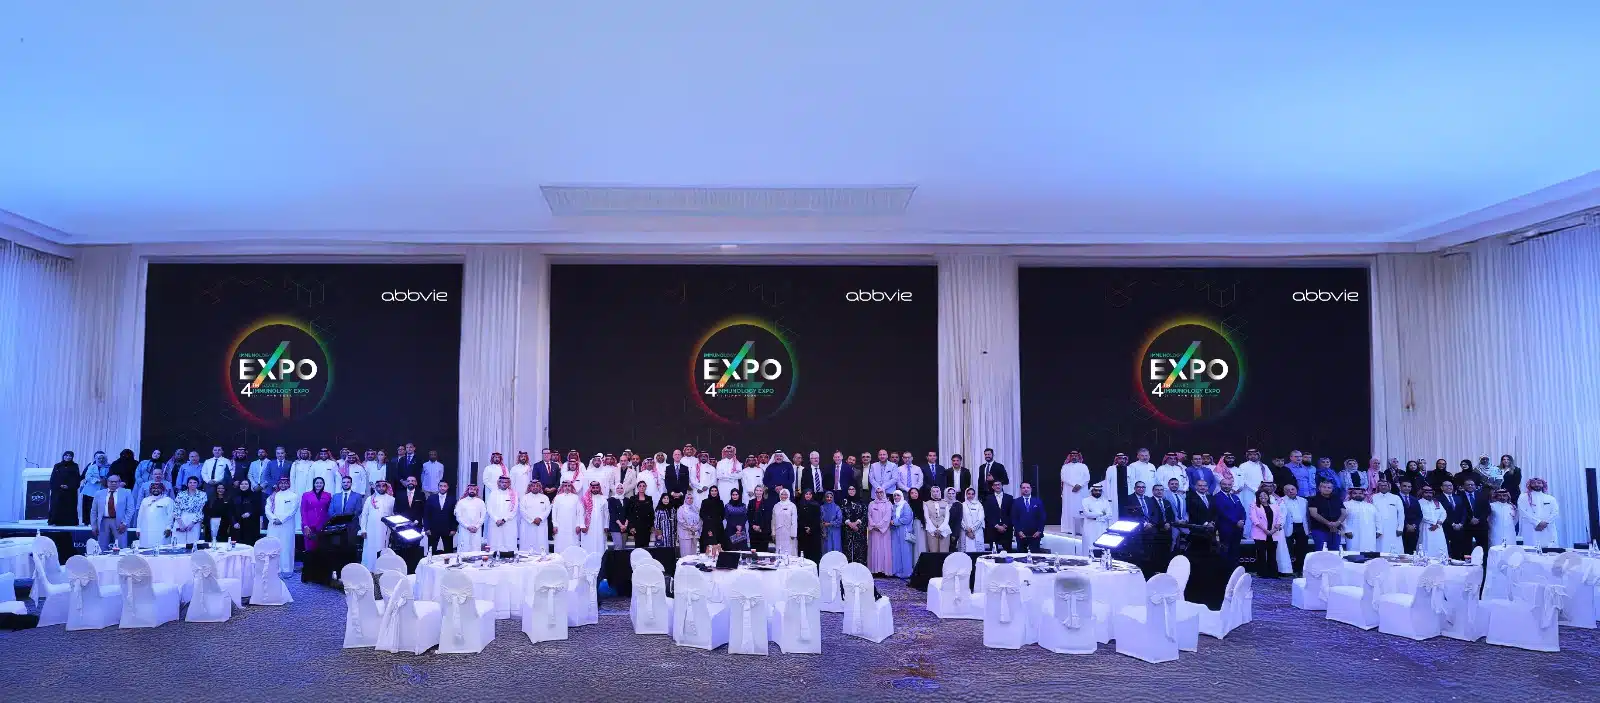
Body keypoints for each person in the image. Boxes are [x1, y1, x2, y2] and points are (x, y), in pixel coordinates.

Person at [265, 476, 300, 571]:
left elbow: (293, 510)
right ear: (278, 484)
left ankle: (286, 569)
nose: (283, 485)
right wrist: (274, 519)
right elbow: (267, 509)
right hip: (273, 525)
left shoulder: (293, 496)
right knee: (273, 546)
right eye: (281, 483)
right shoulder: (272, 496)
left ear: (289, 484)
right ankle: (273, 569)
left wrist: (281, 520)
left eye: (285, 483)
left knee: (286, 546)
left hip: (287, 525)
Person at [91, 474, 133, 548]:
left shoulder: (127, 492)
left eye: (116, 482)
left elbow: (130, 509)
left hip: (120, 522)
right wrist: (94, 526)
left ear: (119, 483)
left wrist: (124, 523)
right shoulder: (99, 493)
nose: (113, 483)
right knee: (101, 546)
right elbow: (94, 511)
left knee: (121, 546)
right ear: (107, 482)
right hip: (103, 521)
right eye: (111, 482)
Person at [1248, 489, 1282, 577]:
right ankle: (1262, 573)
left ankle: (1273, 573)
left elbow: (1279, 518)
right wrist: (1265, 530)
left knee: (1272, 554)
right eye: (1260, 496)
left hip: (1273, 533)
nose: (1263, 497)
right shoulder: (1254, 506)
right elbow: (1254, 519)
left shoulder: (1275, 506)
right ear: (1257, 497)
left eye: (1265, 495)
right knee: (1261, 554)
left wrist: (1274, 530)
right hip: (1260, 533)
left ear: (1268, 496)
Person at [1214, 477, 1247, 569]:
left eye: (1229, 484)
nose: (1227, 486)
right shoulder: (1217, 497)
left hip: (1238, 529)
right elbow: (1223, 512)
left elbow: (1242, 510)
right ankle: (1225, 571)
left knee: (1235, 550)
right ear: (1220, 485)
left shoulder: (1235, 497)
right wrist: (1236, 522)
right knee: (1225, 551)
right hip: (1225, 528)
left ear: (1232, 485)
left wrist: (1243, 521)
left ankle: (1235, 570)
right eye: (1224, 484)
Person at [1518, 478, 1560, 548]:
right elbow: (1522, 512)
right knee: (1530, 549)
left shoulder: (1550, 498)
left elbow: (1555, 512)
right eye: (1533, 483)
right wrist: (1537, 522)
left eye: (1539, 483)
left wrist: (1545, 523)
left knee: (1548, 550)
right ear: (1530, 485)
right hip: (1531, 528)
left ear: (1543, 484)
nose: (1536, 485)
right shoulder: (1523, 497)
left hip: (1547, 528)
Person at [1305, 479, 1343, 552]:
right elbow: (1314, 514)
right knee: (1321, 551)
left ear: (1332, 489)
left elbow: (1344, 513)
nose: (1326, 489)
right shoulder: (1313, 499)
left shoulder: (1337, 499)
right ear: (1319, 488)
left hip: (1335, 529)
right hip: (1319, 529)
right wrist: (1328, 523)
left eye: (1329, 487)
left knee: (1335, 552)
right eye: (1324, 487)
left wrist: (1337, 523)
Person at [136, 481, 176, 547]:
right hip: (146, 531)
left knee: (162, 549)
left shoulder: (168, 500)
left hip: (162, 530)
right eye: (153, 488)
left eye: (158, 488)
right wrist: (138, 529)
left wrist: (168, 528)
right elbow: (140, 515)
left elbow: (171, 515)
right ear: (150, 490)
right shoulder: (145, 500)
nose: (156, 490)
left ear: (162, 489)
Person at [1059, 451, 1090, 536]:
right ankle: (1068, 528)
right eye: (1072, 455)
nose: (1074, 457)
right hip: (1069, 491)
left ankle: (1081, 529)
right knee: (1069, 508)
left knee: (1080, 508)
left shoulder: (1083, 466)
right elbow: (1063, 477)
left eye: (1076, 455)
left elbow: (1087, 477)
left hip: (1081, 491)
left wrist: (1079, 485)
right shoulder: (1065, 467)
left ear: (1079, 457)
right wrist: (1074, 485)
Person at [1279, 482, 1309, 572]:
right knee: (1288, 549)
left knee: (1302, 549)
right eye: (1287, 490)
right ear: (1284, 492)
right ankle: (1288, 570)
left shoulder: (1304, 501)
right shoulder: (1281, 501)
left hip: (1302, 527)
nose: (1291, 491)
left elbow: (1307, 515)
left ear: (1296, 490)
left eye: (1292, 489)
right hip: (1288, 527)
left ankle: (1300, 570)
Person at [423, 478, 457, 554]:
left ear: (448, 487)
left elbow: (454, 516)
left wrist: (454, 529)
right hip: (433, 529)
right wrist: (426, 528)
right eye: (441, 486)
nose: (442, 488)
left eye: (444, 486)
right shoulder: (431, 498)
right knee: (431, 551)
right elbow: (426, 514)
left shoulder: (452, 499)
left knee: (448, 552)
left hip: (448, 530)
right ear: (438, 487)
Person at [170, 476, 207, 546]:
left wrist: (192, 523)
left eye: (194, 482)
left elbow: (202, 510)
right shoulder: (181, 494)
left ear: (198, 484)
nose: (192, 484)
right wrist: (180, 523)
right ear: (187, 484)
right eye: (190, 482)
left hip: (195, 519)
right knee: (179, 541)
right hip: (181, 517)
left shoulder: (202, 495)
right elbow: (176, 508)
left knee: (192, 542)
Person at [1011, 482, 1047, 553]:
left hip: (1035, 534)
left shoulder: (1038, 501)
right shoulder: (1016, 502)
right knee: (1021, 556)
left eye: (1028, 487)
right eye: (1023, 488)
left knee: (1035, 556)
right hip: (1021, 534)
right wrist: (1019, 531)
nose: (1026, 489)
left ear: (1031, 489)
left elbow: (1042, 517)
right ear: (1021, 489)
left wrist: (1039, 531)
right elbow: (1014, 518)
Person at [1438, 481, 1470, 559]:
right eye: (1446, 486)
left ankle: (1457, 562)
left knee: (1458, 548)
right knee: (1446, 548)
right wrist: (1452, 524)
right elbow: (1441, 513)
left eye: (1450, 485)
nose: (1449, 487)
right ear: (1442, 488)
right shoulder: (1438, 498)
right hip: (1446, 527)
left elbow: (1464, 511)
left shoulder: (1458, 497)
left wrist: (1461, 524)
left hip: (1459, 527)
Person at [1341, 486, 1377, 553]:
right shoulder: (1345, 505)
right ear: (1351, 494)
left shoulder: (1370, 506)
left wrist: (1379, 530)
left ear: (1364, 495)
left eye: (1360, 493)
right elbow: (1342, 520)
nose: (1358, 495)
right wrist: (1346, 530)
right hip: (1352, 534)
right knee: (1353, 553)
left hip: (1369, 534)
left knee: (1368, 553)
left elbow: (1377, 519)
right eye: (1355, 493)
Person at [1372, 481, 1405, 554]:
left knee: (1395, 547)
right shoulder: (1373, 497)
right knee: (1379, 546)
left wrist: (1400, 528)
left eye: (1385, 485)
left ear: (1389, 487)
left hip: (1393, 528)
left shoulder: (1396, 498)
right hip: (1378, 528)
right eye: (1381, 485)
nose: (1383, 487)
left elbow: (1401, 513)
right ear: (1378, 487)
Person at [885, 490, 912, 578]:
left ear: (902, 496)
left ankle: (907, 572)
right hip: (895, 531)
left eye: (898, 495)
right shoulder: (894, 506)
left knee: (905, 551)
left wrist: (895, 522)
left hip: (903, 530)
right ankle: (897, 571)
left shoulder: (905, 505)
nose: (896, 497)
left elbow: (907, 518)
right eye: (895, 496)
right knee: (896, 551)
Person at [518, 479, 550, 554]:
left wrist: (540, 518)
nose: (535, 487)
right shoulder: (524, 497)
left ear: (540, 487)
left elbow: (548, 510)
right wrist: (532, 520)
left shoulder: (545, 497)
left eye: (537, 486)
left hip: (541, 524)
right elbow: (522, 511)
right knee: (527, 543)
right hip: (528, 524)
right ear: (530, 487)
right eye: (533, 486)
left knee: (541, 541)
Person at [328, 476, 362, 545]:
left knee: (350, 547)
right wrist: (338, 519)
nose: (346, 484)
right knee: (337, 547)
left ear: (351, 483)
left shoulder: (357, 496)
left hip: (351, 526)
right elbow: (330, 511)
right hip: (337, 526)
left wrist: (346, 519)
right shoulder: (335, 496)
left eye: (348, 482)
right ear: (341, 483)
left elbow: (358, 510)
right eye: (344, 482)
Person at [49, 451, 80, 526]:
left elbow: (76, 478)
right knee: (56, 505)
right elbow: (53, 477)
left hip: (70, 491)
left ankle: (70, 522)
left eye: (70, 456)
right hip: (58, 490)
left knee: (69, 506)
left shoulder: (75, 466)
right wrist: (59, 485)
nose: (68, 457)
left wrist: (69, 486)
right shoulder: (57, 465)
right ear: (63, 456)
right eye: (66, 455)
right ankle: (55, 521)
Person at [453, 483, 488, 553]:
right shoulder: (461, 502)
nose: (472, 491)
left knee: (475, 548)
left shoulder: (481, 502)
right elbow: (458, 517)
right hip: (464, 529)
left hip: (476, 530)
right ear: (468, 490)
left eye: (474, 489)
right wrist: (467, 527)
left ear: (477, 491)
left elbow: (483, 516)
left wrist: (477, 526)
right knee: (464, 548)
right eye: (471, 489)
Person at [983, 479, 1015, 552]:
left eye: (999, 484)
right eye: (995, 485)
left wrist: (1005, 525)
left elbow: (1012, 513)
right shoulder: (988, 498)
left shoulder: (1009, 498)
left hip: (1006, 529)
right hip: (993, 529)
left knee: (1008, 552)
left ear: (1002, 486)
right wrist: (996, 526)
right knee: (994, 552)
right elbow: (987, 514)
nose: (997, 486)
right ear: (992, 487)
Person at [837, 486, 867, 562]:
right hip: (847, 529)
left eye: (853, 489)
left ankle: (859, 567)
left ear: (856, 490)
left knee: (859, 550)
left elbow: (865, 514)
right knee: (848, 550)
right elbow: (841, 515)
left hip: (859, 529)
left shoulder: (861, 501)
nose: (851, 491)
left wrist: (856, 523)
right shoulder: (843, 502)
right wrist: (849, 523)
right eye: (849, 489)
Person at [80, 451, 110, 525]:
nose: (101, 460)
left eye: (103, 458)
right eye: (99, 458)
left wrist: (106, 480)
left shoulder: (108, 467)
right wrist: (97, 480)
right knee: (90, 506)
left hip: (103, 489)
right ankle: (88, 522)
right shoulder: (92, 466)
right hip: (91, 490)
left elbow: (110, 476)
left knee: (101, 506)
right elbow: (87, 476)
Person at [1417, 485, 1447, 558]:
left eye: (1430, 493)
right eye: (1426, 492)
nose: (1428, 494)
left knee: (1440, 546)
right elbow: (1421, 515)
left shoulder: (1437, 502)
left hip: (1438, 528)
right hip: (1426, 527)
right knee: (1426, 545)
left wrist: (1438, 524)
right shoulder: (1419, 502)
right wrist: (1434, 522)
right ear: (1422, 493)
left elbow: (1443, 513)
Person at [867, 488, 893, 574]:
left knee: (884, 550)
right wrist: (873, 525)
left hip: (884, 531)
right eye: (877, 492)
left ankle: (883, 571)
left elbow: (887, 517)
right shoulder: (871, 503)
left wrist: (879, 526)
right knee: (874, 550)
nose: (879, 494)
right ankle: (874, 570)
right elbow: (869, 516)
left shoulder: (888, 504)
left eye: (881, 492)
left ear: (884, 493)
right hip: (874, 531)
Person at [1079, 482, 1113, 549]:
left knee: (1102, 545)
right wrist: (1101, 513)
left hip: (1102, 526)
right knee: (1090, 545)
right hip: (1090, 526)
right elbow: (1087, 514)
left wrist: (1095, 516)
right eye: (1096, 490)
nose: (1098, 492)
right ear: (1092, 491)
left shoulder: (1105, 501)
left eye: (1099, 491)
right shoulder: (1085, 501)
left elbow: (1109, 515)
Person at [578, 481, 609, 553]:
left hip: (600, 526)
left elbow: (606, 514)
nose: (595, 489)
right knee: (588, 544)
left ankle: (600, 559)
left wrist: (606, 525)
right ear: (590, 488)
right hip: (588, 527)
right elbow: (581, 513)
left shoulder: (603, 499)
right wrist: (582, 525)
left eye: (597, 488)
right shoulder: (585, 499)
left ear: (599, 488)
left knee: (600, 543)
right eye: (593, 488)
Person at [551, 482, 583, 553]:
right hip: (560, 525)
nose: (567, 487)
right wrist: (555, 525)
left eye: (569, 486)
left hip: (572, 525)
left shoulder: (576, 497)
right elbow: (554, 512)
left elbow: (579, 513)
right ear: (562, 487)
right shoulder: (557, 498)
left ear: (571, 487)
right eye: (565, 486)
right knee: (560, 543)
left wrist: (578, 525)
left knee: (573, 542)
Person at [230, 479, 264, 544]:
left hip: (251, 525)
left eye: (246, 484)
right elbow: (231, 511)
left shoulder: (254, 496)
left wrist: (250, 513)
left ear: (249, 485)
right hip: (238, 525)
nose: (244, 486)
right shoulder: (234, 496)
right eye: (242, 484)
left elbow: (258, 509)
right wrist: (234, 522)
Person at [770, 487, 798, 556]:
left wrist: (793, 533)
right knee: (779, 549)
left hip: (789, 533)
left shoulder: (792, 506)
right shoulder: (776, 506)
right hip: (779, 532)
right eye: (782, 494)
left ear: (788, 495)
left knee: (789, 550)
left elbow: (794, 521)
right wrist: (773, 532)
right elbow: (773, 520)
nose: (784, 496)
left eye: (785, 494)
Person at [625, 481, 655, 549]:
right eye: (640, 486)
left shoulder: (649, 498)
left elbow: (651, 513)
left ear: (646, 487)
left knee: (646, 546)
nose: (642, 487)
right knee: (638, 546)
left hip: (647, 526)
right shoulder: (633, 498)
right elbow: (630, 513)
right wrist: (631, 526)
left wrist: (652, 526)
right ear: (637, 487)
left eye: (643, 486)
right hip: (637, 526)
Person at [797, 489, 823, 562]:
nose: (808, 495)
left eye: (810, 494)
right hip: (802, 532)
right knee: (803, 551)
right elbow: (799, 518)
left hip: (814, 533)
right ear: (804, 495)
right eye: (806, 494)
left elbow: (817, 519)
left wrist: (810, 528)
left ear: (812, 495)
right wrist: (804, 527)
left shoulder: (816, 505)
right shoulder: (799, 505)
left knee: (814, 553)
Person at [1397, 480, 1423, 554]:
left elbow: (1419, 515)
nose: (1407, 488)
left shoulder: (1414, 499)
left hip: (1413, 530)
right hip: (1400, 529)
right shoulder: (1395, 498)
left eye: (1409, 487)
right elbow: (1396, 514)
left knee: (1411, 551)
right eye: (1404, 486)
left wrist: (1414, 525)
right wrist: (1407, 525)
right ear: (1400, 487)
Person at [923, 486, 950, 553]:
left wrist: (940, 529)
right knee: (933, 552)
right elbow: (927, 518)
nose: (935, 493)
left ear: (940, 492)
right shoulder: (926, 503)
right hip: (931, 530)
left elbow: (947, 517)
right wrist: (934, 529)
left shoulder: (945, 503)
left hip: (944, 530)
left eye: (937, 491)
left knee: (944, 551)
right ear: (931, 492)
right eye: (933, 491)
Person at [957, 487, 985, 552]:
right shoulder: (962, 505)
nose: (970, 496)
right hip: (965, 532)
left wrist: (971, 529)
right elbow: (960, 519)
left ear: (974, 495)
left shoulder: (979, 505)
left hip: (976, 532)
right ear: (966, 494)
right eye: (969, 494)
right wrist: (967, 529)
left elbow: (980, 518)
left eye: (972, 494)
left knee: (977, 551)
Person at [676, 491, 701, 556]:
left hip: (695, 534)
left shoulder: (696, 509)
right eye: (688, 498)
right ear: (685, 499)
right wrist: (690, 528)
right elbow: (680, 521)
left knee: (694, 554)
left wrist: (696, 528)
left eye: (691, 498)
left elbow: (700, 520)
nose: (690, 499)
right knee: (686, 554)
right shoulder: (681, 509)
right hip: (685, 534)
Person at [820, 490, 844, 554]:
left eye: (831, 497)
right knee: (826, 549)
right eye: (827, 497)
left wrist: (830, 523)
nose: (829, 498)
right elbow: (820, 520)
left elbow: (839, 520)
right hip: (825, 532)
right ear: (825, 498)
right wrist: (823, 526)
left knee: (835, 548)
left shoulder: (837, 508)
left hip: (835, 531)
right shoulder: (822, 508)